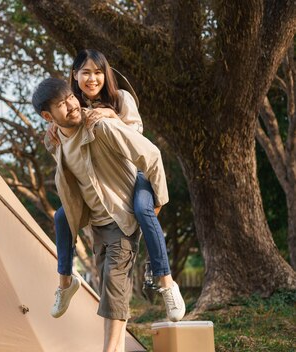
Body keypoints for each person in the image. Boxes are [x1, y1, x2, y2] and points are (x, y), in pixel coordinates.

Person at [32, 77, 176, 352]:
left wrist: (156, 205)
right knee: (108, 287)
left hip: (121, 218)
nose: (71, 105)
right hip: (97, 224)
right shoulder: (56, 140)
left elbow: (152, 155)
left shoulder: (101, 126)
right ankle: (67, 283)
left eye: (70, 98)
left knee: (114, 284)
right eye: (61, 104)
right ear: (48, 116)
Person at [47, 49, 185, 323]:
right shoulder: (75, 104)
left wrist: (110, 116)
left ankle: (167, 282)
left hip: (135, 172)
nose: (92, 78)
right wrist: (53, 126)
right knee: (62, 216)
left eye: (98, 72)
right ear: (75, 75)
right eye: (85, 72)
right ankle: (65, 280)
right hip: (104, 179)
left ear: (106, 75)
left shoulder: (120, 98)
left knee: (143, 210)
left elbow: (136, 141)